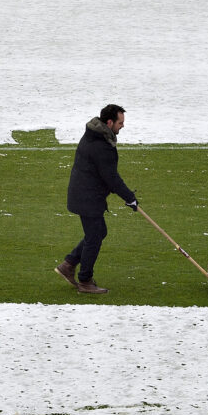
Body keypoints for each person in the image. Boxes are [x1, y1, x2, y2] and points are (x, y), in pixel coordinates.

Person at [54, 104, 138, 294]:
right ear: (109, 122)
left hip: (85, 193)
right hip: (87, 196)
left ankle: (68, 265)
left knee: (98, 232)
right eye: (120, 122)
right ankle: (85, 281)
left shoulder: (95, 134)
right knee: (95, 235)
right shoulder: (100, 145)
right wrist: (130, 198)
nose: (122, 126)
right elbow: (111, 177)